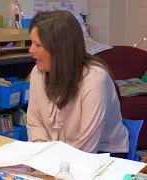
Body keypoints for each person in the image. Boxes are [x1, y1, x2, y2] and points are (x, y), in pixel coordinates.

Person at [27, 10, 129, 158]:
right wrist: (43, 156)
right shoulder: (37, 73)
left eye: (38, 45)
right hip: (58, 156)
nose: (31, 50)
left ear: (59, 49)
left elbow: (87, 147)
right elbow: (35, 123)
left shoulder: (94, 79)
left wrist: (54, 165)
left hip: (102, 155)